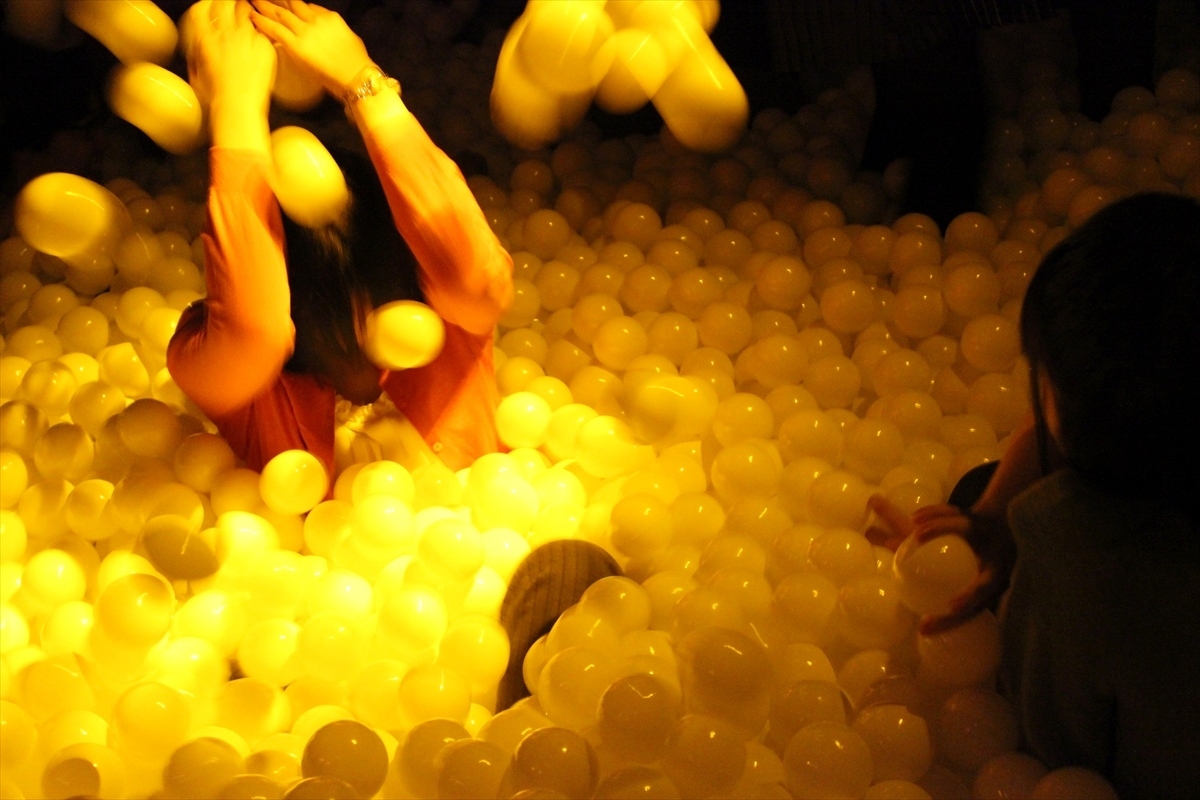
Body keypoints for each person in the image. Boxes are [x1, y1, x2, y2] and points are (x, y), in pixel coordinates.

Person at [871, 192, 1200, 799]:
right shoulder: (1154, 423)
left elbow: (1055, 750)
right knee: (980, 487)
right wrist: (993, 513)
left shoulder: (1085, 567)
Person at [168, 0, 513, 475]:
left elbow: (470, 278)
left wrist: (365, 85)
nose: (358, 336)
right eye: (329, 308)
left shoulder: (447, 325)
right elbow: (254, 331)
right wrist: (236, 107)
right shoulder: (244, 381)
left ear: (406, 271)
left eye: (368, 295)